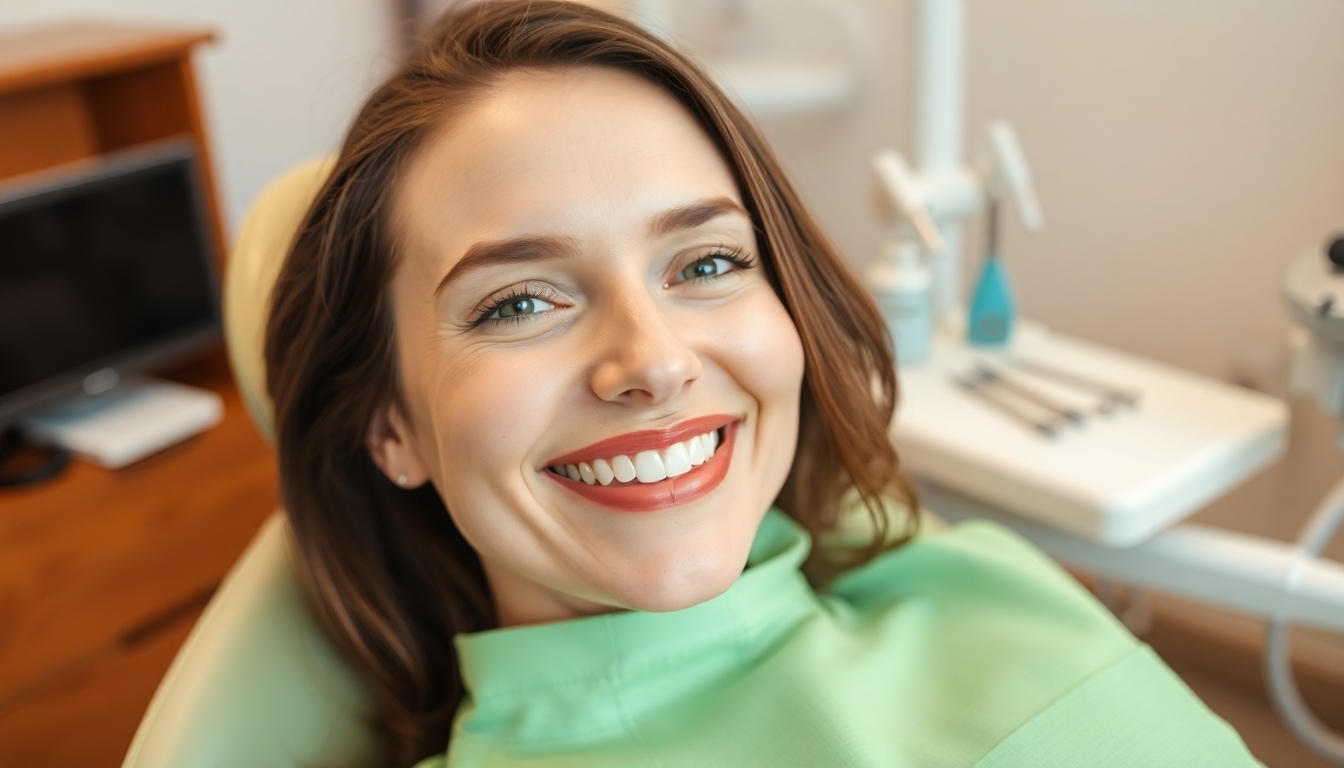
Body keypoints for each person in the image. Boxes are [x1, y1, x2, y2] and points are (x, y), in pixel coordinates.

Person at [264, 2, 1262, 766]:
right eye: (521, 302)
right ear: (387, 425)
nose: (653, 363)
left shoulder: (976, 585)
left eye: (704, 265)